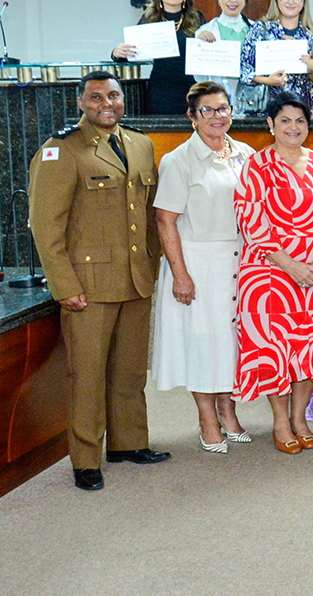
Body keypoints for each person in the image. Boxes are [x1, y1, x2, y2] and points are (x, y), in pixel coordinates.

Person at [28, 71, 169, 490]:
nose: (106, 103)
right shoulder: (62, 150)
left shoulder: (141, 145)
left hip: (135, 278)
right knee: (87, 375)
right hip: (87, 285)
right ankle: (86, 458)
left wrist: (152, 262)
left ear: (123, 99)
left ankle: (128, 443)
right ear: (80, 103)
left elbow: (148, 215)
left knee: (128, 371)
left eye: (113, 95)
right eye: (95, 97)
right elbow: (45, 226)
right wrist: (64, 285)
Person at [234, 92, 313, 455]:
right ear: (270, 124)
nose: (293, 127)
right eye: (284, 120)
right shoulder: (257, 165)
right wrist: (291, 265)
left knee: (310, 348)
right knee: (274, 349)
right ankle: (280, 421)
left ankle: (300, 417)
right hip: (270, 273)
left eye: (300, 121)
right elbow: (251, 220)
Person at [152, 81, 254, 453]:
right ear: (192, 117)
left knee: (231, 342)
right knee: (202, 342)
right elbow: (165, 220)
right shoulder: (179, 160)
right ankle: (207, 418)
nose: (216, 117)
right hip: (196, 261)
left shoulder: (243, 153)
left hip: (238, 259)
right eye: (207, 111)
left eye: (223, 108)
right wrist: (180, 275)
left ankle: (228, 410)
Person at [111, 0, 205, 114]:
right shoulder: (150, 19)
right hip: (161, 91)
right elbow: (131, 52)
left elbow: (207, 53)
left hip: (192, 90)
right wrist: (116, 52)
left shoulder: (197, 18)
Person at [239, 0, 313, 111]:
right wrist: (267, 81)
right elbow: (244, 69)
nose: (291, 1)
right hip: (267, 111)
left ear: (303, 2)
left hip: (303, 110)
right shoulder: (260, 30)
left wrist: (311, 66)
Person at [192, 0, 251, 108]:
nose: (232, 0)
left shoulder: (256, 29)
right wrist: (198, 48)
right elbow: (198, 77)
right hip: (217, 101)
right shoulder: (204, 32)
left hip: (251, 100)